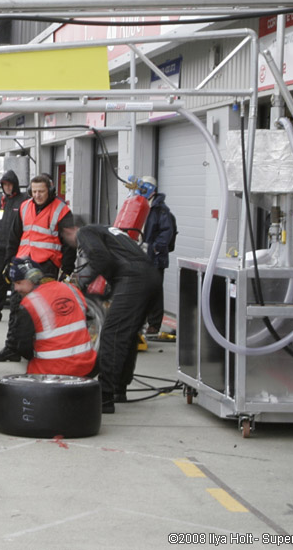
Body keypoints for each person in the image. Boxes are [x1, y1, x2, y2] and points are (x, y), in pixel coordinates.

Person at [73, 223, 163, 414]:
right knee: (128, 336)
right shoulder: (109, 230)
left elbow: (102, 260)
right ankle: (118, 390)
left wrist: (86, 287)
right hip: (151, 276)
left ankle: (104, 396)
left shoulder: (84, 231)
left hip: (133, 277)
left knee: (113, 334)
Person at [0, 259, 97, 377]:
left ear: (33, 279)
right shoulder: (72, 290)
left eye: (19, 282)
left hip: (50, 371)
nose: (16, 289)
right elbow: (86, 322)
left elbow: (23, 347)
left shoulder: (29, 304)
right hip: (86, 367)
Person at [0, 170, 28, 322]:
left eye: (10, 185)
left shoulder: (24, 201)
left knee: (17, 281)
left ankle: (17, 314)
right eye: (5, 185)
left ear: (15, 185)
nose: (7, 188)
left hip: (17, 249)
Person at [15, 174, 76, 280]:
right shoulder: (24, 207)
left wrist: (67, 270)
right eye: (34, 192)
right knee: (20, 296)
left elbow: (69, 243)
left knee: (44, 295)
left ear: (50, 191)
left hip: (47, 265)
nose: (37, 195)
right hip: (23, 261)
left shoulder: (61, 210)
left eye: (41, 191)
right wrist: (9, 262)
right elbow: (14, 237)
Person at [139, 175, 175, 335]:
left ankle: (154, 324)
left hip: (155, 257)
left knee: (154, 291)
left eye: (145, 188)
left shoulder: (161, 210)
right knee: (139, 290)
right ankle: (140, 322)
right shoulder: (137, 204)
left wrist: (154, 248)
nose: (142, 191)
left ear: (152, 190)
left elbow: (167, 232)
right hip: (138, 255)